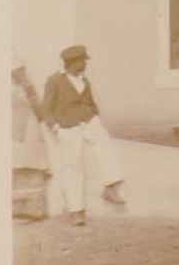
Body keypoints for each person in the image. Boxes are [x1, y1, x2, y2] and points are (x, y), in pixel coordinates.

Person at [40, 45, 126, 225]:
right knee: (73, 165)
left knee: (107, 147)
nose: (86, 63)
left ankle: (110, 188)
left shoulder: (85, 80)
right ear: (73, 62)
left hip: (88, 122)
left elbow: (91, 103)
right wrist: (55, 127)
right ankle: (76, 210)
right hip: (67, 126)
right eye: (83, 60)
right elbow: (46, 108)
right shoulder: (54, 80)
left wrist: (95, 117)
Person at [11, 53, 56, 221]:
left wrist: (30, 93)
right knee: (16, 167)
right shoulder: (4, 88)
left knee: (33, 167)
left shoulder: (27, 87)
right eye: (17, 71)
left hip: (31, 132)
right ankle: (15, 210)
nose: (21, 73)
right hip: (14, 135)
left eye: (22, 70)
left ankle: (34, 211)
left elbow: (39, 110)